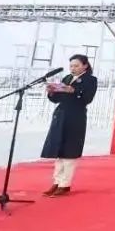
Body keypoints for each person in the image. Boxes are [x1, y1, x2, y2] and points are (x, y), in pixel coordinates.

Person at [40, 54, 98, 197]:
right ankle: (57, 182)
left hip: (75, 117)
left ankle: (65, 184)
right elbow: (58, 99)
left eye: (76, 65)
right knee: (59, 152)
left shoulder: (90, 80)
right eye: (71, 66)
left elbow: (87, 99)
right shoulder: (67, 78)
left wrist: (74, 91)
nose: (73, 68)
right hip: (61, 116)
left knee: (69, 152)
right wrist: (52, 92)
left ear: (85, 66)